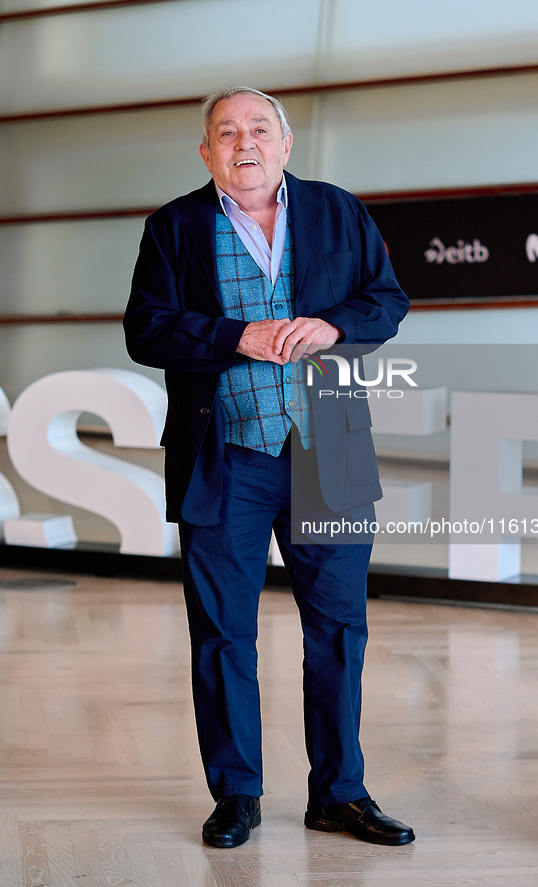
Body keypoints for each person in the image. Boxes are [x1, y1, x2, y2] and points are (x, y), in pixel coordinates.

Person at [124, 86, 413, 849]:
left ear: (285, 145)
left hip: (331, 450)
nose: (242, 141)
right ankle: (236, 794)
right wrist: (232, 337)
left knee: (339, 626)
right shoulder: (174, 226)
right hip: (223, 458)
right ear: (206, 152)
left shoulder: (338, 210)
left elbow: (386, 300)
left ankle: (339, 793)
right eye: (226, 131)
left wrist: (336, 324)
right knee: (222, 634)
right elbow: (145, 328)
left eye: (258, 128)